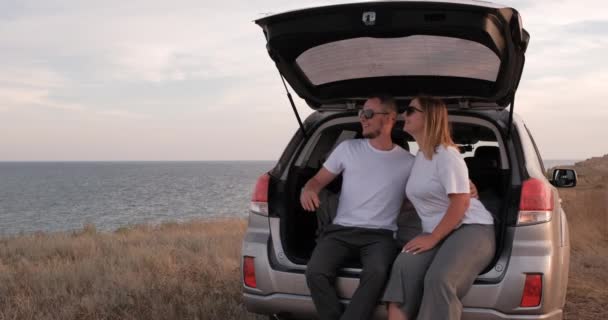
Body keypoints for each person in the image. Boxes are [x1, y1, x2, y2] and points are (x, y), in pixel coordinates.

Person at [301, 94, 414, 320]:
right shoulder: (347, 149)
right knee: (315, 271)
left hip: (380, 236)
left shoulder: (409, 162)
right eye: (361, 113)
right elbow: (317, 181)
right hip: (340, 231)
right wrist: (308, 189)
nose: (363, 118)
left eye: (369, 113)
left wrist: (468, 187)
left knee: (377, 272)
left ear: (390, 117)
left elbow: (428, 190)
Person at [382, 96, 495, 320]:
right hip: (438, 230)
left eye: (411, 110)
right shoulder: (421, 158)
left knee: (439, 279)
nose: (405, 115)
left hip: (471, 228)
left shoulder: (447, 154)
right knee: (403, 268)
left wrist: (433, 238)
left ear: (430, 117)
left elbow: (461, 203)